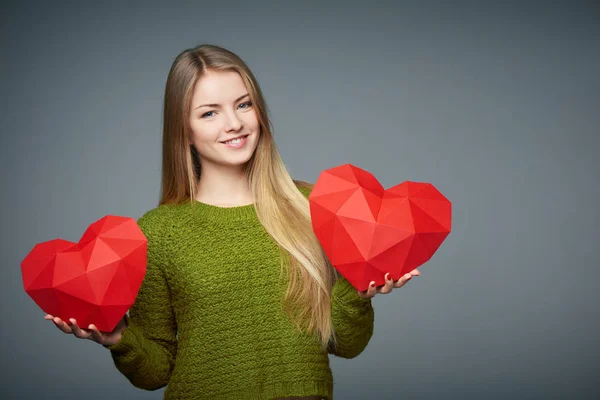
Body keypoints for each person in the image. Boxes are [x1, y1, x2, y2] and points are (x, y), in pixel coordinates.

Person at [45, 44, 420, 400]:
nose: (234, 123)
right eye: (210, 112)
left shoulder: (312, 207)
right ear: (184, 131)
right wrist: (119, 337)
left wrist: (357, 292)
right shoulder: (158, 232)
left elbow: (347, 345)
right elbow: (156, 372)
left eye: (244, 105)